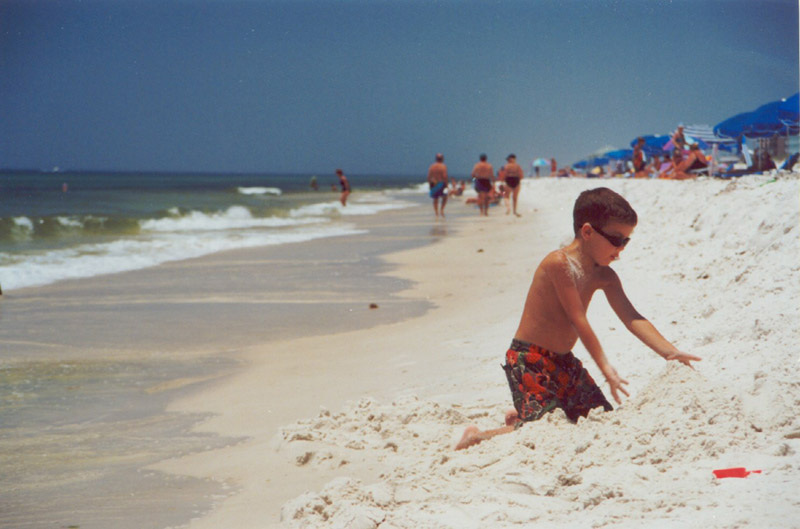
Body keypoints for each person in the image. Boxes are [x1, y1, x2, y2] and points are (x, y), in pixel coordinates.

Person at [456, 187, 701, 450]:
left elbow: (631, 317)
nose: (620, 250)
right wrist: (606, 368)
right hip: (529, 360)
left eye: (626, 241)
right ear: (587, 232)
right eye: (616, 240)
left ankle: (520, 415)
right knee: (543, 432)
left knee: (600, 420)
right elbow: (578, 318)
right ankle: (477, 437)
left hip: (565, 363)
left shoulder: (604, 275)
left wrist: (669, 352)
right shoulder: (558, 263)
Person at [427, 153, 449, 218]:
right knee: (445, 197)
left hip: (433, 183)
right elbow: (445, 176)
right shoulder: (443, 166)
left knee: (435, 199)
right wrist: (447, 185)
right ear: (442, 159)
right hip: (441, 183)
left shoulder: (432, 166)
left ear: (436, 159)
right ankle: (441, 210)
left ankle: (436, 213)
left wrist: (429, 184)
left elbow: (429, 176)